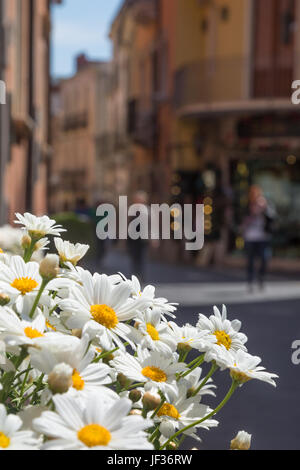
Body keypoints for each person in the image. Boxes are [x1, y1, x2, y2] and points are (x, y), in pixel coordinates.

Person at [241, 185, 276, 292]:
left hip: (263, 237)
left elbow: (272, 216)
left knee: (264, 259)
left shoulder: (265, 203)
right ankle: (250, 281)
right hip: (250, 237)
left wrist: (264, 209)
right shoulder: (247, 205)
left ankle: (261, 278)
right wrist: (252, 214)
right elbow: (243, 221)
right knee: (250, 261)